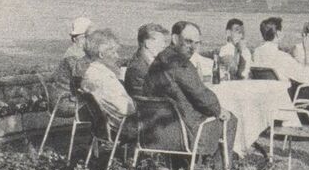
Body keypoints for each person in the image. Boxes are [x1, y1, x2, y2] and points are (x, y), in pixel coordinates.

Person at [143, 21, 237, 157]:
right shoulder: (180, 63)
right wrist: (218, 109)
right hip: (185, 135)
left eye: (197, 43)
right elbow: (202, 96)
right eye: (188, 42)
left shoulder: (158, 60)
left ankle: (187, 167)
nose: (193, 48)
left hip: (156, 132)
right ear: (175, 39)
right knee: (230, 119)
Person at [81, 29, 136, 123]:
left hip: (105, 126)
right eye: (114, 52)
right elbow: (125, 109)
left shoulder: (90, 72)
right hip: (122, 126)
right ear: (101, 54)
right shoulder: (105, 77)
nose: (117, 56)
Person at [253, 17, 309, 83]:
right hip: (283, 92)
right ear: (278, 33)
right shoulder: (282, 57)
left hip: (266, 91)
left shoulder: (256, 53)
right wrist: (308, 51)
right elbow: (307, 78)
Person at [51, 16, 93, 98]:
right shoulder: (74, 56)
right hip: (66, 98)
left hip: (70, 96)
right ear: (76, 38)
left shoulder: (79, 53)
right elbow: (85, 79)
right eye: (86, 37)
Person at [124, 23, 169, 97]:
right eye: (161, 42)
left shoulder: (148, 64)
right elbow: (144, 101)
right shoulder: (137, 69)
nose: (164, 46)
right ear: (148, 43)